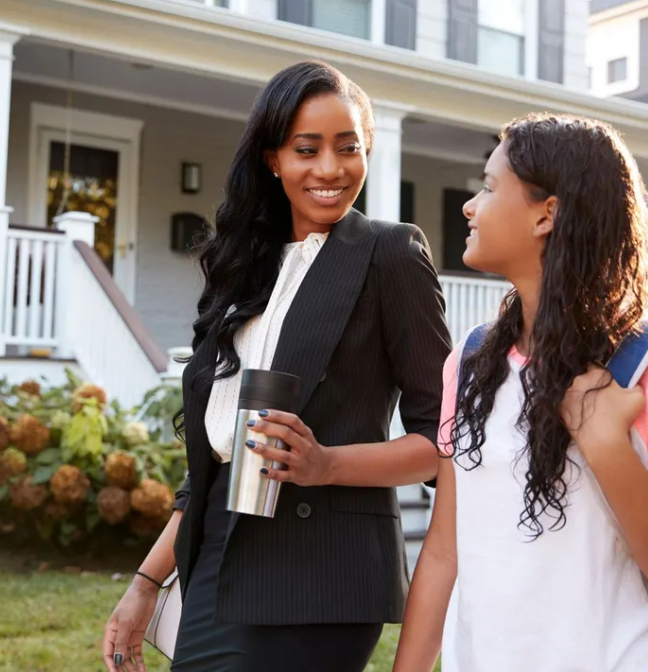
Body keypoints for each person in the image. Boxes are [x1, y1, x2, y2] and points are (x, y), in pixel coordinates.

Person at [101, 61, 451, 672]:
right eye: (306, 149)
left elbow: (445, 441)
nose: (330, 169)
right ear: (272, 158)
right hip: (216, 556)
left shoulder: (387, 255)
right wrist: (146, 583)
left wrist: (327, 463)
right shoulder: (242, 268)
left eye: (348, 148)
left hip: (318, 574)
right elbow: (217, 457)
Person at [392, 113, 648, 672]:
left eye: (488, 186)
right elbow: (443, 551)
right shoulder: (470, 362)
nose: (469, 205)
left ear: (546, 214)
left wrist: (607, 449)